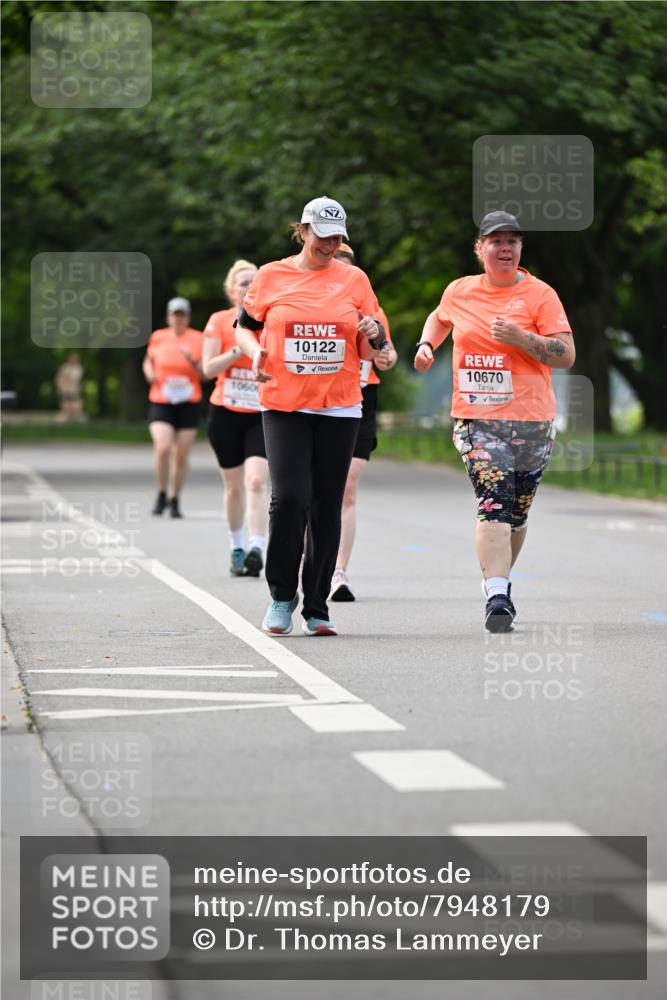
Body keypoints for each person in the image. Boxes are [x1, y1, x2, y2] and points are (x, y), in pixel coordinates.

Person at [414, 210, 575, 632]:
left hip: (531, 421)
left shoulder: (541, 295)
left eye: (513, 241)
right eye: (496, 241)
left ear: (520, 249)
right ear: (480, 248)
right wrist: (427, 345)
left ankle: (499, 581)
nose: (505, 248)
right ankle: (498, 595)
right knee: (494, 504)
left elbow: (566, 354)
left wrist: (521, 338)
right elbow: (438, 317)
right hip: (477, 418)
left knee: (517, 513)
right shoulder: (460, 291)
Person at [235, 196, 386, 636]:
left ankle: (317, 606)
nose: (330, 244)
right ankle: (282, 596)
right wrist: (255, 352)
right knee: (289, 499)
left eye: (337, 237)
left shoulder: (355, 279)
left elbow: (373, 337)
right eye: (322, 236)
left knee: (325, 504)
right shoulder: (271, 275)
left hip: (340, 405)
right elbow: (245, 326)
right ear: (302, 231)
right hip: (284, 403)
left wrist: (374, 333)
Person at [328, 244, 398, 602]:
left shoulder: (372, 310)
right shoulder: (313, 306)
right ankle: (310, 562)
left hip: (360, 400)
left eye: (348, 266)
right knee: (315, 491)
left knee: (346, 488)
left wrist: (386, 355)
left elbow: (386, 352)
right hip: (320, 400)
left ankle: (338, 573)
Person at [202, 260, 269, 577]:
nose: (248, 287)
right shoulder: (218, 321)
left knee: (256, 480)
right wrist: (237, 351)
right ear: (231, 290)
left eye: (254, 282)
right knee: (233, 489)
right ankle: (237, 547)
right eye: (243, 283)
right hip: (225, 411)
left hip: (260, 412)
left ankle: (258, 547)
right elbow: (207, 369)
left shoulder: (270, 319)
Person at [143, 297, 203, 518]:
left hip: (188, 402)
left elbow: (205, 373)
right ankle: (161, 492)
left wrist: (192, 361)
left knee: (181, 454)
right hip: (162, 400)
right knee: (163, 447)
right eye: (174, 314)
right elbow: (148, 360)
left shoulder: (198, 339)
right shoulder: (158, 337)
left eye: (182, 315)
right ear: (168, 317)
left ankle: (175, 498)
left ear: (187, 317)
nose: (178, 319)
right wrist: (149, 372)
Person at [55, 351, 83, 421]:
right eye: (72, 358)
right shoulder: (64, 367)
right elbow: (59, 378)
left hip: (73, 389)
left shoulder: (78, 368)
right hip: (65, 389)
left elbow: (75, 378)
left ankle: (74, 418)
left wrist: (67, 378)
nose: (73, 360)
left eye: (74, 359)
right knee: (66, 404)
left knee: (75, 405)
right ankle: (65, 418)